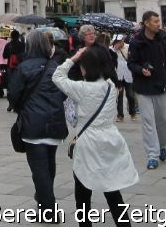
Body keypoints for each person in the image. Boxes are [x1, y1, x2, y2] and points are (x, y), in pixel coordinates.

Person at [53, 46, 137, 227]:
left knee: (82, 193)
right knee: (113, 191)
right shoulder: (110, 86)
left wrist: (74, 57)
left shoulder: (81, 88)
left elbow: (57, 76)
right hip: (110, 138)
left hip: (87, 142)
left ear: (86, 67)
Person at [7, 29, 67, 221]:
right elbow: (64, 92)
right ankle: (44, 200)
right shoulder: (55, 66)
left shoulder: (24, 67)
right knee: (49, 164)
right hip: (55, 122)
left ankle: (49, 211)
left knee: (39, 169)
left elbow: (13, 95)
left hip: (33, 124)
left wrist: (22, 107)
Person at [127, 11, 166, 170]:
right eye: (155, 21)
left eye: (159, 21)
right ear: (146, 23)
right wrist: (140, 70)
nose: (159, 24)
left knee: (164, 120)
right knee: (148, 122)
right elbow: (132, 63)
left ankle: (162, 146)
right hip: (144, 88)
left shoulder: (163, 39)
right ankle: (152, 154)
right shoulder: (137, 42)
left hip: (163, 86)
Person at [112, 35, 136, 122]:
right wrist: (115, 49)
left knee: (130, 95)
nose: (118, 43)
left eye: (119, 41)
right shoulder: (112, 49)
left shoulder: (128, 47)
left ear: (122, 40)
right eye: (116, 41)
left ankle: (132, 113)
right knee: (119, 96)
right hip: (118, 76)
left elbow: (133, 58)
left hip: (128, 74)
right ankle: (120, 115)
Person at [2, 30, 25, 111]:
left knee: (11, 86)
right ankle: (18, 104)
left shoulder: (8, 45)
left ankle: (10, 104)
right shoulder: (22, 45)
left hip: (10, 67)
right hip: (20, 68)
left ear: (11, 36)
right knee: (20, 85)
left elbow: (4, 56)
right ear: (18, 36)